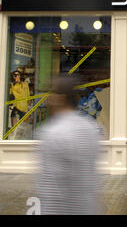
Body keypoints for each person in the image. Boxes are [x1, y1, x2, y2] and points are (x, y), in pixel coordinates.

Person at [35, 75, 102, 215]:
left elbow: (50, 187)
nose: (48, 99)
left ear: (61, 98)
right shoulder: (90, 128)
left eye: (51, 94)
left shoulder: (52, 133)